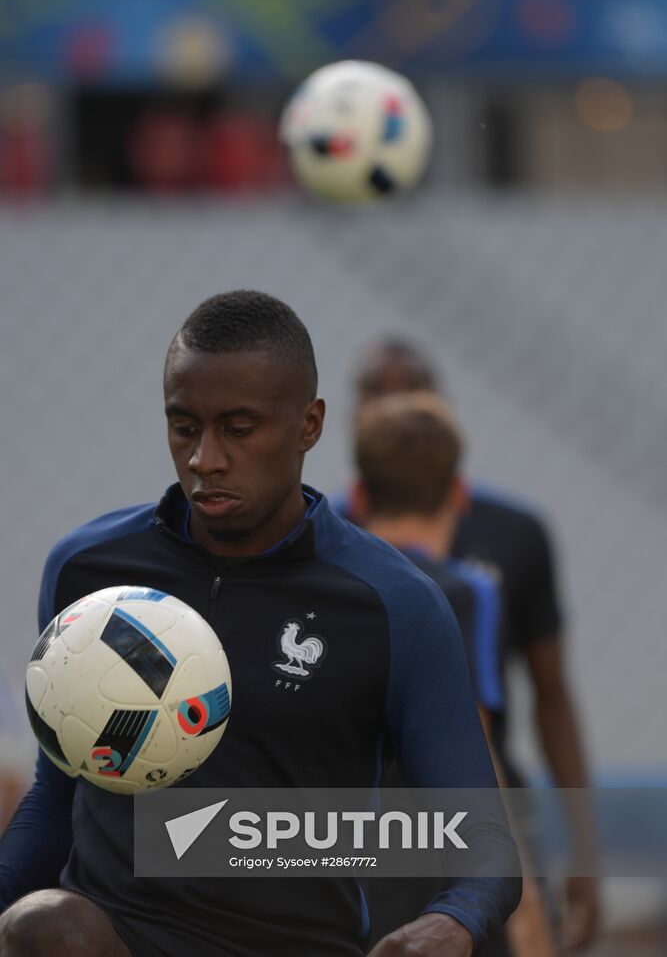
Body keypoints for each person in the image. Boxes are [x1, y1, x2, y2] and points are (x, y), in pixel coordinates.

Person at [0, 292, 521, 957]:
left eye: (238, 429)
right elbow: (57, 793)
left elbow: (484, 841)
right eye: (183, 426)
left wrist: (454, 919)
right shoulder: (89, 573)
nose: (204, 459)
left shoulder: (393, 603)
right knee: (45, 927)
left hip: (299, 943)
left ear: (308, 425)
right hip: (119, 934)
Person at [342, 338, 598, 953]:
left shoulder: (510, 538)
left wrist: (583, 850)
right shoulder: (324, 545)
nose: (397, 405)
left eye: (414, 390)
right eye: (380, 392)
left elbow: (546, 694)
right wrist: (528, 908)